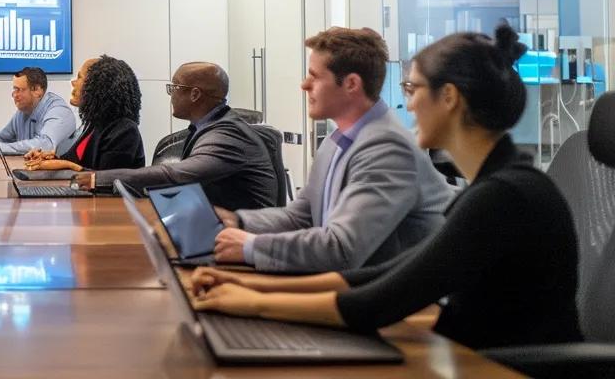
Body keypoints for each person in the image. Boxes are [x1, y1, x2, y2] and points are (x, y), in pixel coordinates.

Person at [191, 24, 582, 351]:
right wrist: (243, 283)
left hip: (499, 368)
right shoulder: (497, 187)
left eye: (413, 90)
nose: (407, 106)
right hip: (468, 356)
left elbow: (378, 302)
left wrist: (255, 302)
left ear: (448, 98)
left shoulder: (503, 198)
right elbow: (382, 274)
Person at [209, 28, 451, 273]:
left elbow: (342, 250)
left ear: (351, 84)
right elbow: (302, 216)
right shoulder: (337, 139)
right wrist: (238, 221)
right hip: (356, 291)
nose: (304, 85)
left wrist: (251, 246)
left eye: (314, 76)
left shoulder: (388, 148)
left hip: (401, 304)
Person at [69, 62, 280, 211]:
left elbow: (176, 175)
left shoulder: (227, 134)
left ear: (195, 94)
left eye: (174, 88)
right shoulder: (204, 128)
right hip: (217, 228)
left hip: (243, 237)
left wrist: (98, 178)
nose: (171, 95)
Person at [22, 55, 145, 173]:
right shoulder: (94, 125)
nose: (73, 82)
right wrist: (49, 158)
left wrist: (67, 165)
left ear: (97, 87)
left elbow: (107, 180)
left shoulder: (125, 131)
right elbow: (76, 161)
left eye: (80, 77)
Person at [0, 66, 76, 156]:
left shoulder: (59, 111)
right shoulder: (24, 111)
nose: (14, 95)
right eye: (14, 90)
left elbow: (45, 145)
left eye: (19, 90)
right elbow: (3, 138)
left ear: (37, 90)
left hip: (58, 179)